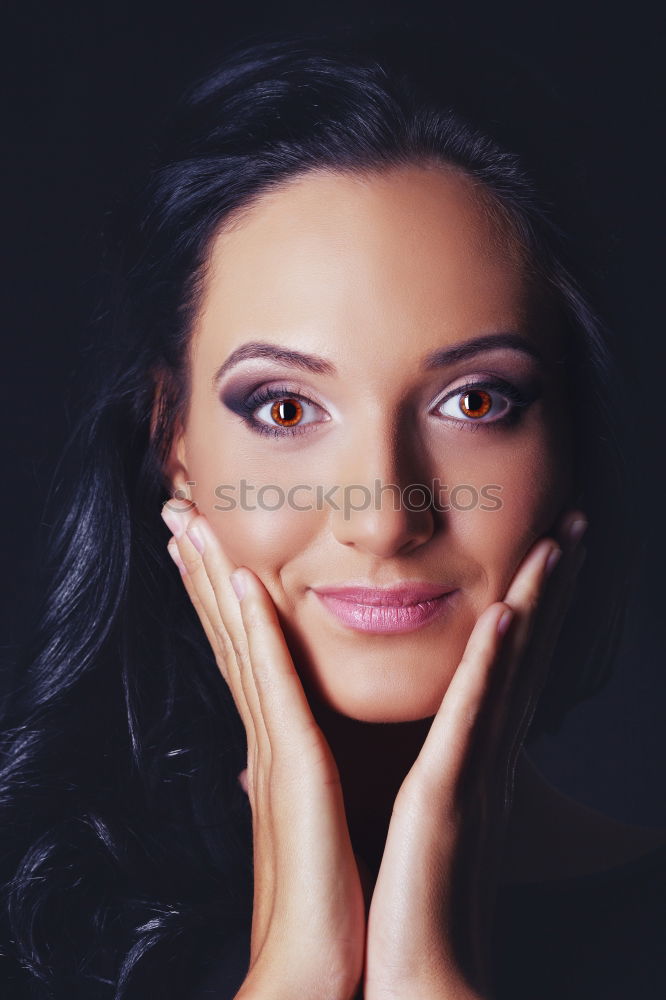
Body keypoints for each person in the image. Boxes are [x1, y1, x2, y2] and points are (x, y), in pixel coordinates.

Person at [1, 27, 664, 1000]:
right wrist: (299, 970)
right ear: (172, 435)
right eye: (284, 407)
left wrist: (429, 973)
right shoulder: (32, 928)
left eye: (474, 401)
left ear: (572, 437)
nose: (385, 516)